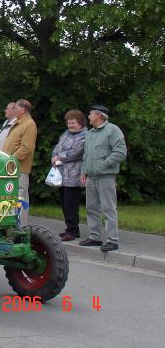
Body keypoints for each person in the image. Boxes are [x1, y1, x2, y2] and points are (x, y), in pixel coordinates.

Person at [79, 105, 127, 252]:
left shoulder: (112, 130)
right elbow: (86, 154)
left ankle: (113, 240)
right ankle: (95, 237)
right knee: (91, 208)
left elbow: (120, 152)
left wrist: (103, 165)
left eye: (90, 114)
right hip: (91, 177)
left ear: (99, 115)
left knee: (108, 208)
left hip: (106, 177)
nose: (88, 117)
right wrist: (83, 171)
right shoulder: (90, 133)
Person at [51, 110, 88, 241]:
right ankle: (71, 229)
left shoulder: (84, 136)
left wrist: (58, 157)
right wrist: (54, 156)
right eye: (69, 123)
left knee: (71, 203)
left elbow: (75, 153)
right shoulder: (65, 134)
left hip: (74, 175)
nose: (70, 125)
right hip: (62, 174)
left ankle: (72, 230)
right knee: (64, 203)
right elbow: (57, 146)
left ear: (80, 123)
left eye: (73, 123)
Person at [2, 99, 37, 227]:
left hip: (19, 169)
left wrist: (11, 160)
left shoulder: (29, 124)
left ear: (23, 109)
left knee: (20, 198)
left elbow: (26, 148)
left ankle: (21, 228)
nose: (14, 110)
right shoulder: (20, 123)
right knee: (12, 198)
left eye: (15, 108)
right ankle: (12, 226)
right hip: (12, 169)